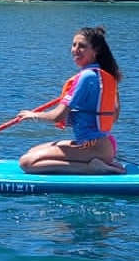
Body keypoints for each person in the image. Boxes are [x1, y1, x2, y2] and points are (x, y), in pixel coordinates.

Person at [18, 25, 124, 175]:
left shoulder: (87, 77)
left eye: (82, 46)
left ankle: (92, 167)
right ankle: (99, 160)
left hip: (93, 146)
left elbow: (58, 115)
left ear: (96, 51)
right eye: (74, 45)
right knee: (33, 151)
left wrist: (33, 115)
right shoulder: (105, 76)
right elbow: (113, 115)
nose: (75, 50)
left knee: (27, 162)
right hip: (105, 144)